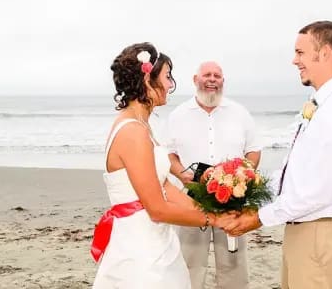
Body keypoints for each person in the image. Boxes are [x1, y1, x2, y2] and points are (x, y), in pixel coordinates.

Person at [224, 21, 332, 289]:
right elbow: (295, 170)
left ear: (326, 53)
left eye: (300, 52)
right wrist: (252, 197)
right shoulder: (322, 102)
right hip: (305, 230)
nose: (294, 60)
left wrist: (259, 218)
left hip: (320, 232)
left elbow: (317, 192)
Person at [91, 43, 234, 289]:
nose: (170, 84)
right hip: (139, 247)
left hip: (156, 239)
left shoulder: (142, 126)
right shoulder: (132, 132)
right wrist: (212, 219)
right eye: (167, 76)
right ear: (148, 78)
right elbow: (157, 208)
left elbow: (165, 187)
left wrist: (214, 213)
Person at [166, 61, 261, 289]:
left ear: (223, 82)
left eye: (217, 76)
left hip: (232, 199)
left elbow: (254, 149)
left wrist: (243, 175)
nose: (212, 79)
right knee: (190, 261)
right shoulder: (178, 115)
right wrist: (184, 176)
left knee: (234, 262)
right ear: (195, 80)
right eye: (207, 75)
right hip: (192, 197)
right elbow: (168, 153)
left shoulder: (239, 113)